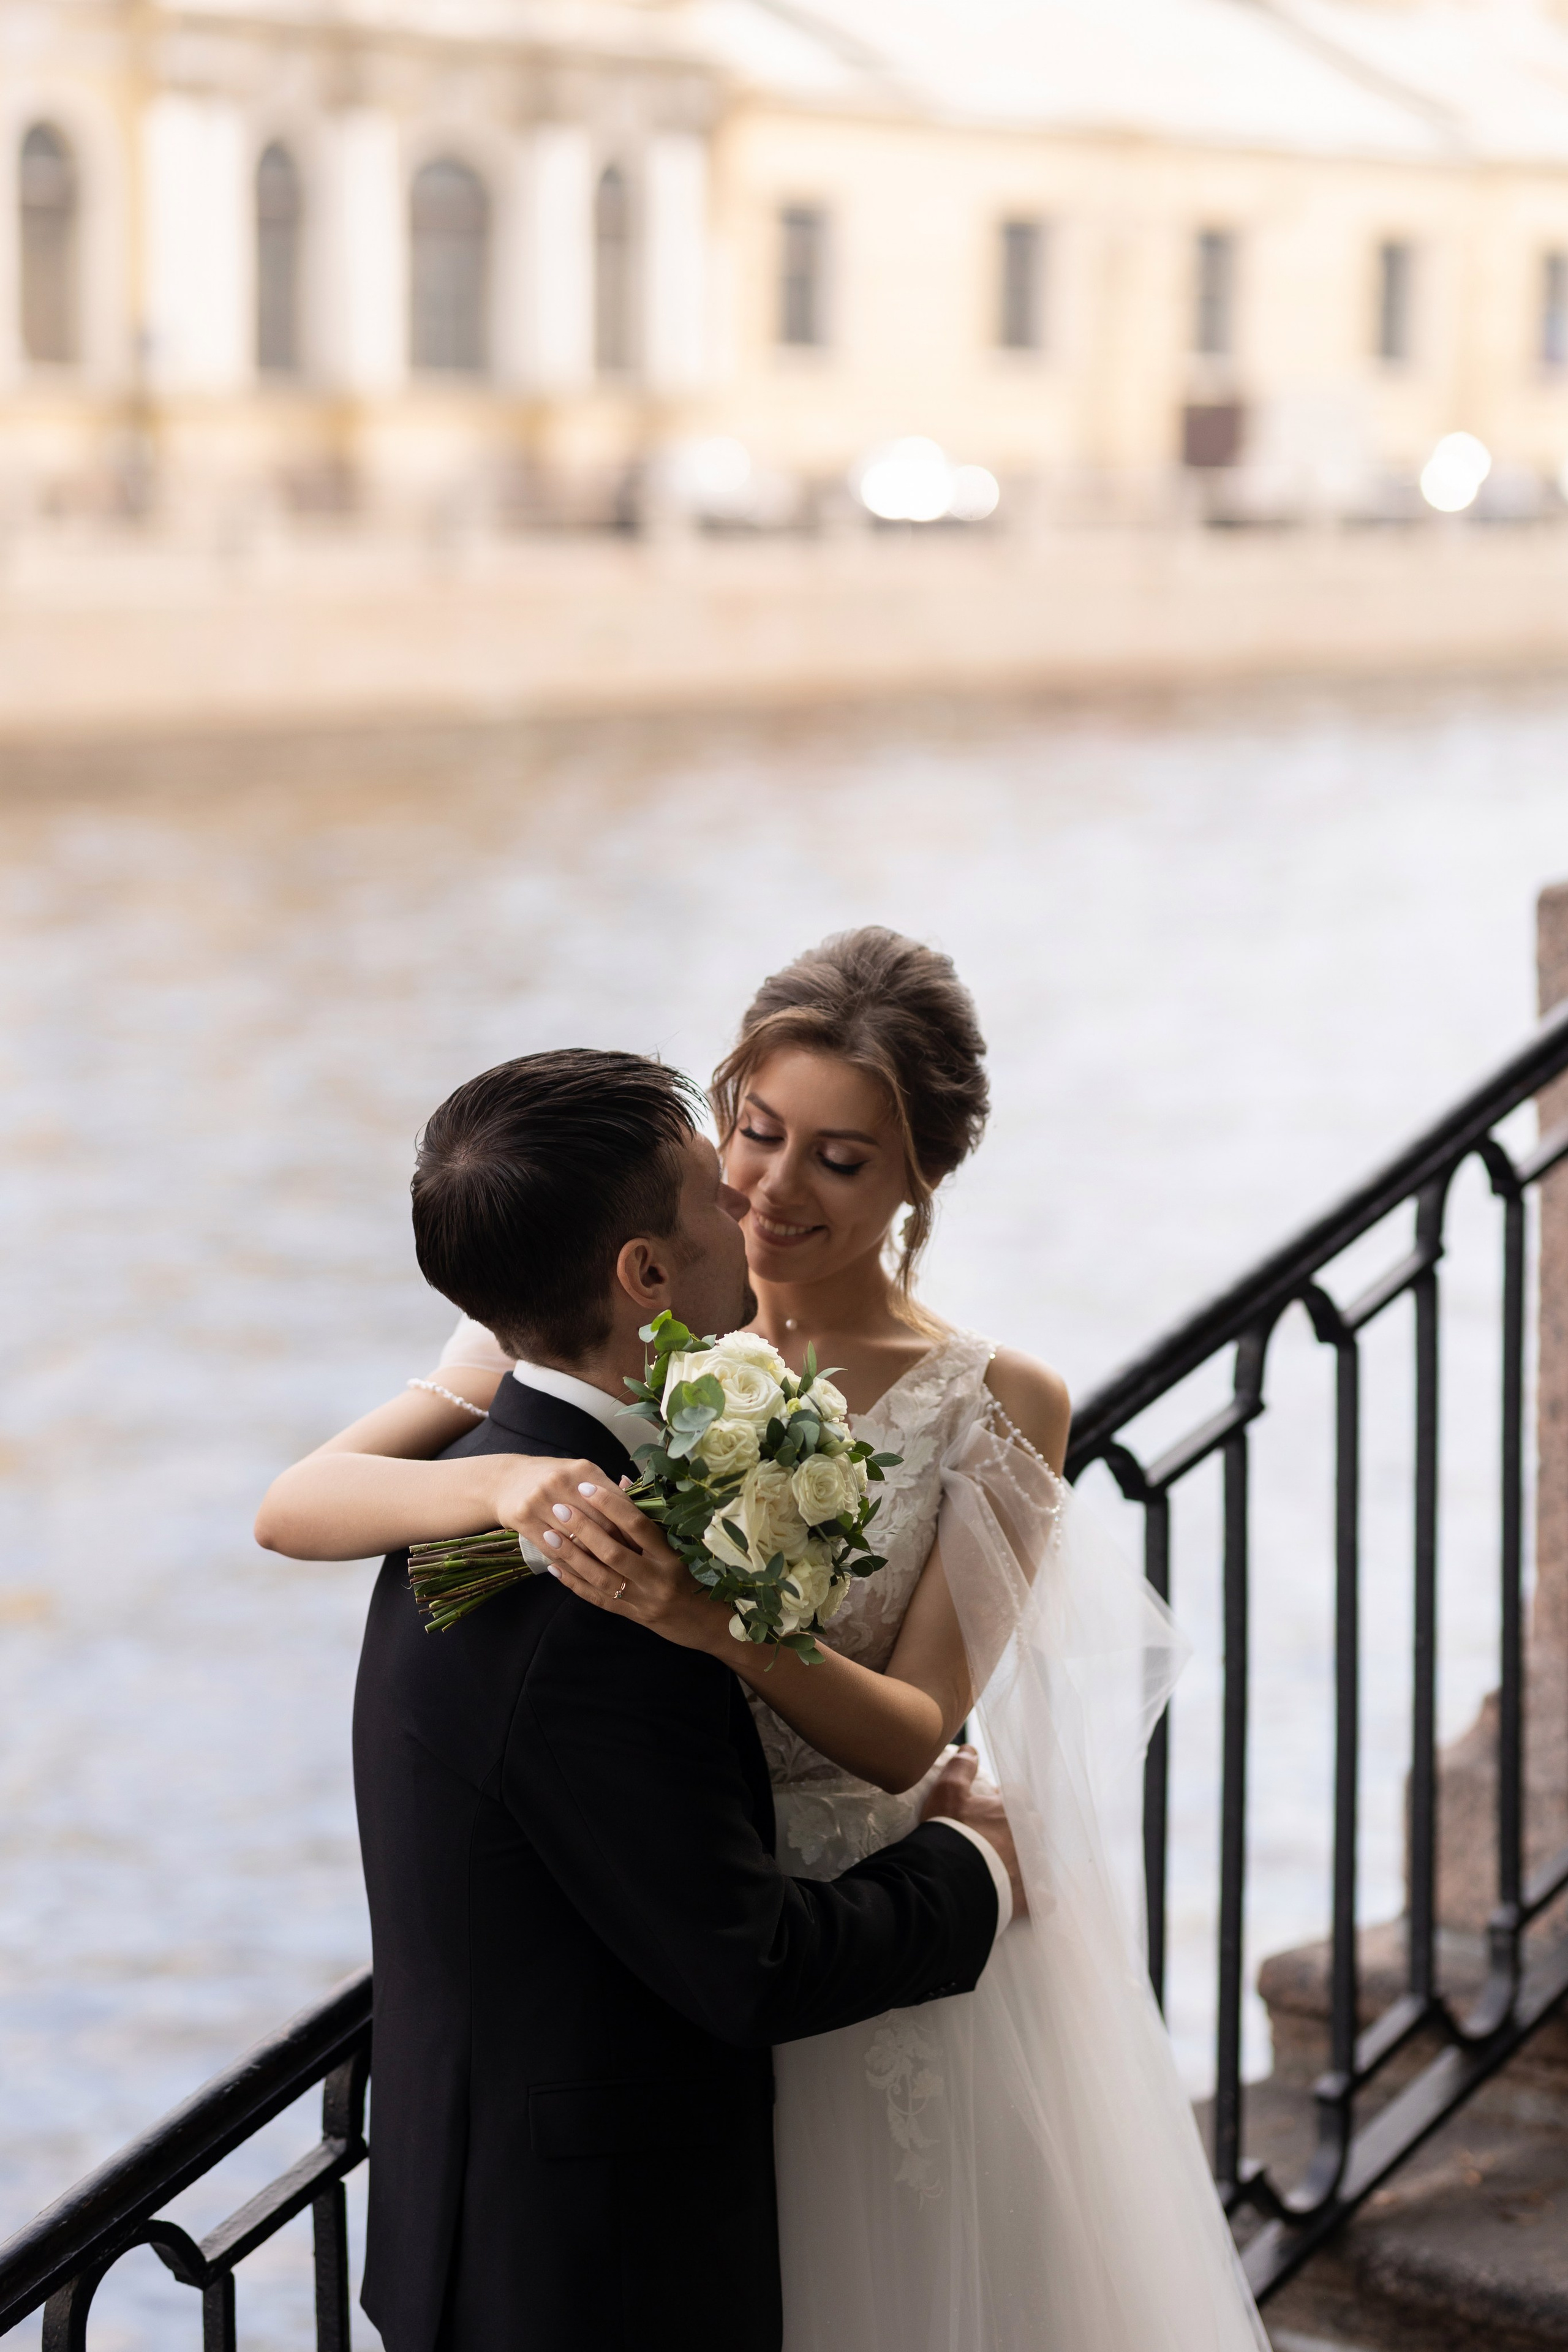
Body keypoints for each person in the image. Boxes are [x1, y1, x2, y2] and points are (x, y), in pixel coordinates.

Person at [258, 930, 1269, 2352]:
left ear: (918, 1180)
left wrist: (717, 1625)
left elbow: (915, 1727)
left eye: (839, 1161)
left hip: (858, 1923)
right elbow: (295, 1505)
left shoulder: (991, 1403)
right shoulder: (597, 1327)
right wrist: (500, 1484)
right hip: (672, 1957)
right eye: (753, 1133)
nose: (768, 1193)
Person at [333, 1044, 1020, 2352]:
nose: (749, 1202)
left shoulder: (474, 1480)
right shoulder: (607, 1594)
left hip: (490, 2209)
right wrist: (975, 1862)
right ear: (644, 1275)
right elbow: (750, 1969)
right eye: (717, 1186)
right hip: (595, 2271)